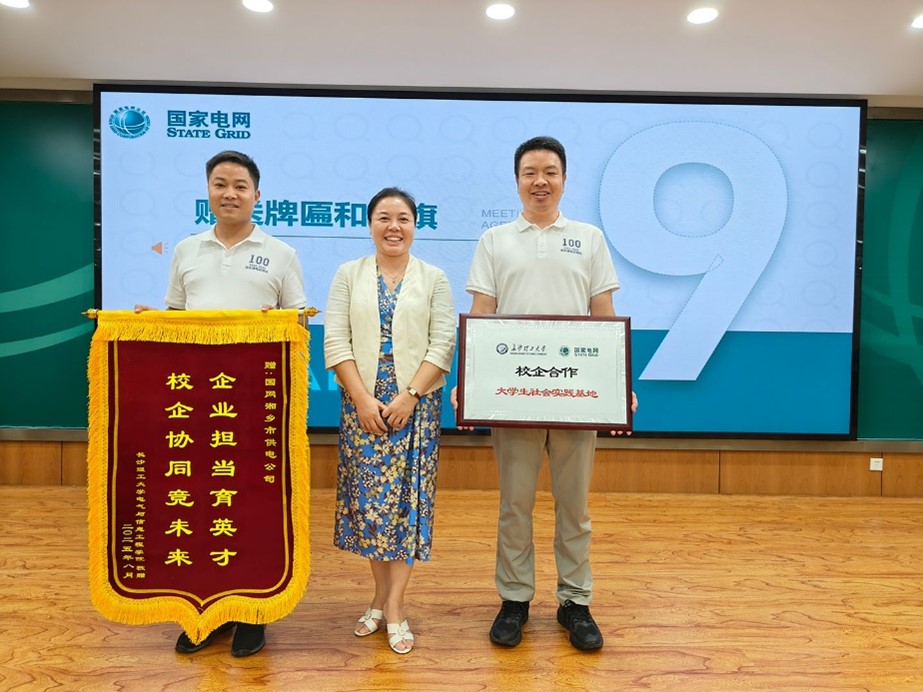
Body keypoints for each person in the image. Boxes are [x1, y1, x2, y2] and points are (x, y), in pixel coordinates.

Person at [457, 136, 638, 651]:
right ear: (517, 180)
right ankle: (514, 598)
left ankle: (574, 601)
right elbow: (482, 314)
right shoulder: (494, 240)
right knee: (514, 504)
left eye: (550, 172)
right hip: (512, 394)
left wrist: (618, 384)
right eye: (530, 172)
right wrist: (468, 383)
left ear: (564, 179)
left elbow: (604, 316)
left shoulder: (589, 238)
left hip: (576, 395)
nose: (540, 181)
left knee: (573, 505)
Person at [136, 150, 307, 657]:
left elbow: (300, 323)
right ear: (208, 191)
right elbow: (175, 320)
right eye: (220, 184)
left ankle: (254, 611)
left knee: (255, 502)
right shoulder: (186, 250)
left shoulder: (281, 253)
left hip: (256, 405)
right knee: (202, 500)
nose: (229, 193)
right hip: (196, 407)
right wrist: (150, 325)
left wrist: (279, 321)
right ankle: (209, 612)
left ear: (257, 195)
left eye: (240, 186)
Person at [324, 187, 456, 655]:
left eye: (403, 218)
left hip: (415, 410)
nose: (393, 226)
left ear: (415, 226)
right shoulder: (348, 274)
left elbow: (443, 344)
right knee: (372, 510)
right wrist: (362, 399)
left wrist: (410, 396)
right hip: (361, 409)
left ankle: (394, 607)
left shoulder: (434, 278)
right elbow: (335, 340)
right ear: (370, 224)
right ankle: (379, 598)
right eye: (384, 217)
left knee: (405, 508)